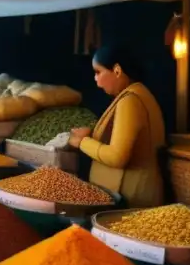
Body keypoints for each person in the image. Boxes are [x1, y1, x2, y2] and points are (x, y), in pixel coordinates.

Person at [68, 44, 167, 208]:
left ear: (117, 70)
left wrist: (82, 142)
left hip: (131, 199)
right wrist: (92, 134)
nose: (95, 79)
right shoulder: (137, 94)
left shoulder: (130, 101)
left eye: (98, 72)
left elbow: (117, 156)